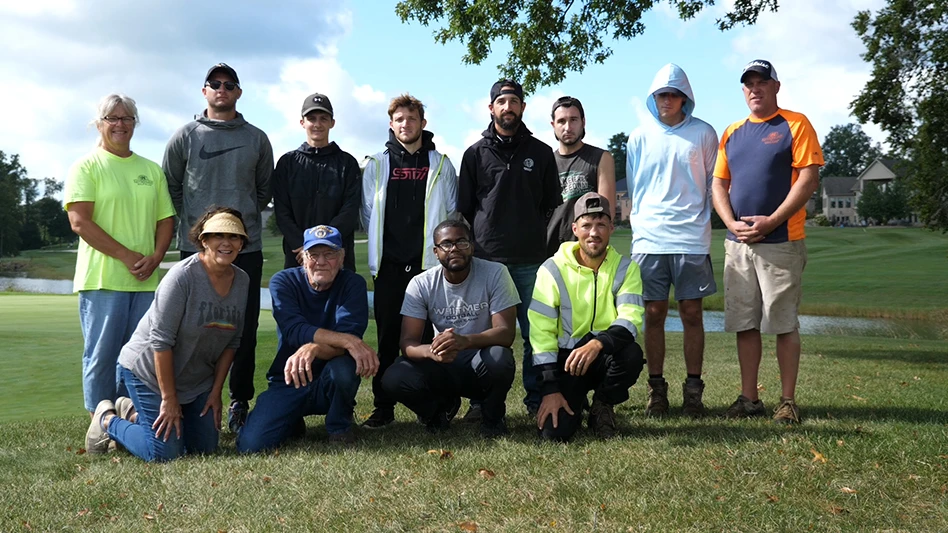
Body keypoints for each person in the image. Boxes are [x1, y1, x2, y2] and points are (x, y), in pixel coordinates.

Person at [84, 208, 250, 460]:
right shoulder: (182, 276)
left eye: (234, 236)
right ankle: (107, 419)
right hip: (148, 372)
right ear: (204, 240)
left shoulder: (242, 281)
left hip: (195, 380)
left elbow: (232, 342)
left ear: (242, 243)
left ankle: (133, 413)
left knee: (204, 449)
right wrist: (169, 398)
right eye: (217, 235)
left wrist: (216, 392)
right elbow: (160, 341)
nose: (226, 243)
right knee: (165, 453)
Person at [162, 62, 274, 432]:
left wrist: (235, 230)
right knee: (189, 327)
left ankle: (239, 401)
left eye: (229, 84)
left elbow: (262, 192)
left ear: (238, 92)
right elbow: (172, 188)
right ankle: (181, 397)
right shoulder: (186, 135)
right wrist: (200, 226)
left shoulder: (257, 138)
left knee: (241, 327)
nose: (221, 89)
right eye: (215, 84)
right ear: (204, 90)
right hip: (197, 248)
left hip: (246, 246)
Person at [711, 60, 824, 424]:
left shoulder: (795, 124)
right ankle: (749, 399)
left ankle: (787, 402)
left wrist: (773, 220)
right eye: (748, 84)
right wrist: (729, 222)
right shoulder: (732, 132)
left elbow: (808, 179)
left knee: (783, 323)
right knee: (746, 324)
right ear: (743, 91)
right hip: (738, 244)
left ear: (776, 86)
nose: (755, 89)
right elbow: (719, 184)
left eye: (762, 82)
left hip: (781, 241)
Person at [65, 93, 175, 421]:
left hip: (145, 282)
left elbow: (165, 219)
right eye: (112, 118)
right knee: (102, 356)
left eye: (127, 118)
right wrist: (127, 256)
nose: (120, 124)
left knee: (139, 355)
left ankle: (131, 420)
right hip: (103, 279)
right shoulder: (86, 166)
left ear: (135, 124)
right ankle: (100, 423)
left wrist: (156, 256)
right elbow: (79, 221)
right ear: (99, 124)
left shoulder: (150, 170)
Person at [458, 78, 561, 417]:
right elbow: (466, 208)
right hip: (487, 260)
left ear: (522, 108)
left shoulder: (541, 153)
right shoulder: (474, 154)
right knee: (484, 335)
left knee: (537, 335)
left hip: (531, 259)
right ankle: (483, 402)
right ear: (491, 108)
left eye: (514, 101)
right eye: (501, 102)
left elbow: (549, 205)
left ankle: (536, 401)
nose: (508, 107)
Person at [625, 63, 719, 417]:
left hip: (692, 238)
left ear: (685, 98)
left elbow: (712, 183)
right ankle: (657, 390)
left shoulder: (704, 134)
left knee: (692, 313)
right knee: (653, 313)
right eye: (661, 94)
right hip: (650, 239)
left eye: (673, 94)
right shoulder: (639, 136)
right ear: (654, 97)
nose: (667, 100)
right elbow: (635, 187)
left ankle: (693, 391)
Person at [360, 93, 458, 429]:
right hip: (389, 267)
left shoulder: (441, 164)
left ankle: (436, 403)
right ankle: (383, 406)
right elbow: (368, 213)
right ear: (391, 124)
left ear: (422, 123)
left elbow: (451, 211)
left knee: (433, 338)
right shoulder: (376, 164)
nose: (406, 124)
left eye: (412, 118)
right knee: (388, 338)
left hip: (429, 267)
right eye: (399, 119)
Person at [236, 225, 377, 451]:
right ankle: (291, 420)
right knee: (250, 445)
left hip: (328, 378)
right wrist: (348, 341)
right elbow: (294, 330)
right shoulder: (283, 281)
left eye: (329, 254)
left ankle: (339, 426)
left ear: (341, 258)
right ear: (303, 258)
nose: (321, 261)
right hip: (290, 378)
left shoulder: (353, 284)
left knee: (343, 368)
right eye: (313, 255)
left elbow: (348, 338)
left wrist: (315, 348)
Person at [381, 220, 519, 437]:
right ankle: (438, 412)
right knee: (394, 376)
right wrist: (431, 352)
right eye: (446, 244)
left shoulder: (495, 273)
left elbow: (505, 333)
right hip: (443, 362)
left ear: (471, 246)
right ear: (436, 252)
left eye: (461, 242)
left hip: (480, 361)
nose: (454, 248)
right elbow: (408, 342)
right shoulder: (421, 283)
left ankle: (493, 417)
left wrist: (465, 341)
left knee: (500, 357)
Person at [529, 193, 645, 441]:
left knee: (631, 354)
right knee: (554, 435)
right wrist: (550, 389)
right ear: (574, 228)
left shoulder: (626, 268)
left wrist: (597, 343)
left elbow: (630, 320)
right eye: (587, 225)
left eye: (601, 224)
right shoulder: (552, 269)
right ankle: (574, 399)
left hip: (602, 354)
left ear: (611, 228)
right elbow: (540, 334)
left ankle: (602, 406)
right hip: (566, 361)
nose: (594, 233)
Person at [272, 93, 361, 271]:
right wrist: (303, 245)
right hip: (297, 256)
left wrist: (325, 244)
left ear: (332, 123)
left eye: (323, 118)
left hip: (337, 256)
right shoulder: (287, 163)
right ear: (302, 122)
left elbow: (350, 210)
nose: (317, 124)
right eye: (311, 119)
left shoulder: (347, 163)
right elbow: (282, 211)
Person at [546, 96, 616, 255]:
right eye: (562, 121)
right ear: (553, 125)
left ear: (583, 122)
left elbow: (607, 212)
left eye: (574, 120)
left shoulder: (601, 158)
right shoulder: (545, 162)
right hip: (548, 253)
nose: (568, 127)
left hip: (585, 251)